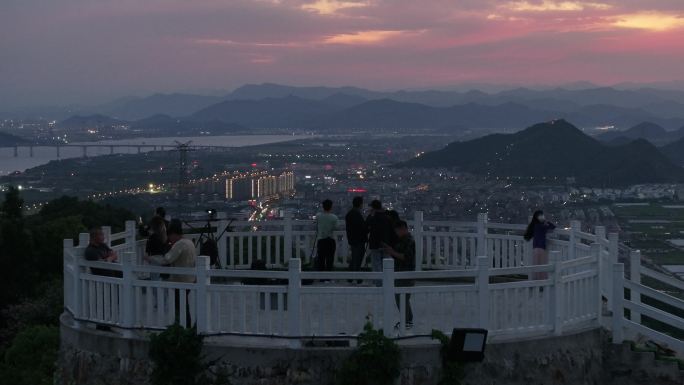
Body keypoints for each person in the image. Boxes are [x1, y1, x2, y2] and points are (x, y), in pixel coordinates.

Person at [145, 219, 197, 323]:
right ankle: (184, 325)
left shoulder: (179, 244)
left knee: (180, 306)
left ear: (173, 234)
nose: (169, 239)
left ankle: (182, 326)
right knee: (183, 305)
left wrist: (150, 258)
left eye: (169, 235)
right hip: (190, 278)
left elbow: (167, 259)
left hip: (181, 281)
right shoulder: (189, 242)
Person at [382, 220, 415, 328]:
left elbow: (406, 257)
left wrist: (392, 252)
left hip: (405, 273)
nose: (396, 233)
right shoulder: (401, 240)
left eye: (397, 230)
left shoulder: (409, 241)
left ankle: (407, 321)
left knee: (401, 298)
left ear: (403, 229)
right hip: (400, 272)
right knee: (402, 298)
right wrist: (391, 251)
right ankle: (408, 320)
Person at [524, 210, 556, 280]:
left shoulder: (534, 225)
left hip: (535, 248)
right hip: (541, 248)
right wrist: (546, 221)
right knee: (542, 266)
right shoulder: (542, 226)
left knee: (536, 265)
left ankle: (535, 280)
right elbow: (553, 226)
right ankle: (541, 281)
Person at [366, 200, 393, 274]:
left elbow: (366, 226)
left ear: (372, 207)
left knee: (376, 264)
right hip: (386, 243)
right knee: (386, 263)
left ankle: (378, 282)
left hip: (374, 243)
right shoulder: (387, 217)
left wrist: (371, 214)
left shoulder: (373, 218)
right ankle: (387, 279)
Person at [345, 196, 368, 276]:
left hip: (352, 239)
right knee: (357, 259)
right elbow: (362, 227)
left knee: (354, 258)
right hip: (359, 240)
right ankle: (355, 276)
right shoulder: (357, 214)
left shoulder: (349, 214)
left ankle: (351, 277)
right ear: (360, 204)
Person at [315, 199, 338, 271]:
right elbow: (336, 228)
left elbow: (316, 223)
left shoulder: (318, 216)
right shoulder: (334, 217)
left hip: (321, 240)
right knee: (330, 259)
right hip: (330, 240)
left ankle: (321, 277)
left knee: (321, 259)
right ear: (331, 207)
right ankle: (328, 278)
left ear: (323, 206)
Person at [145, 216, 170, 280]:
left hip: (155, 261)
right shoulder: (164, 237)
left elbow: (147, 251)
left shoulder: (153, 237)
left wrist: (149, 237)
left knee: (155, 281)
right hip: (163, 260)